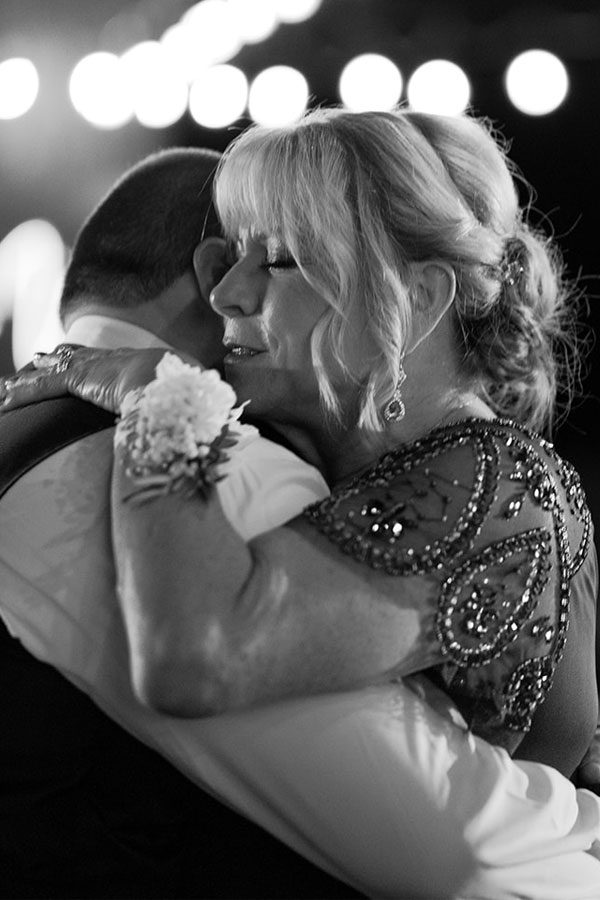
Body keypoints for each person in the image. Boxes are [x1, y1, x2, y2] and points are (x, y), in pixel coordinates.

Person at [3, 113, 600, 900]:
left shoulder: (487, 478)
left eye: (278, 260)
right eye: (229, 256)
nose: (226, 291)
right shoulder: (438, 467)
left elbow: (196, 657)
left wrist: (165, 391)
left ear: (416, 298)